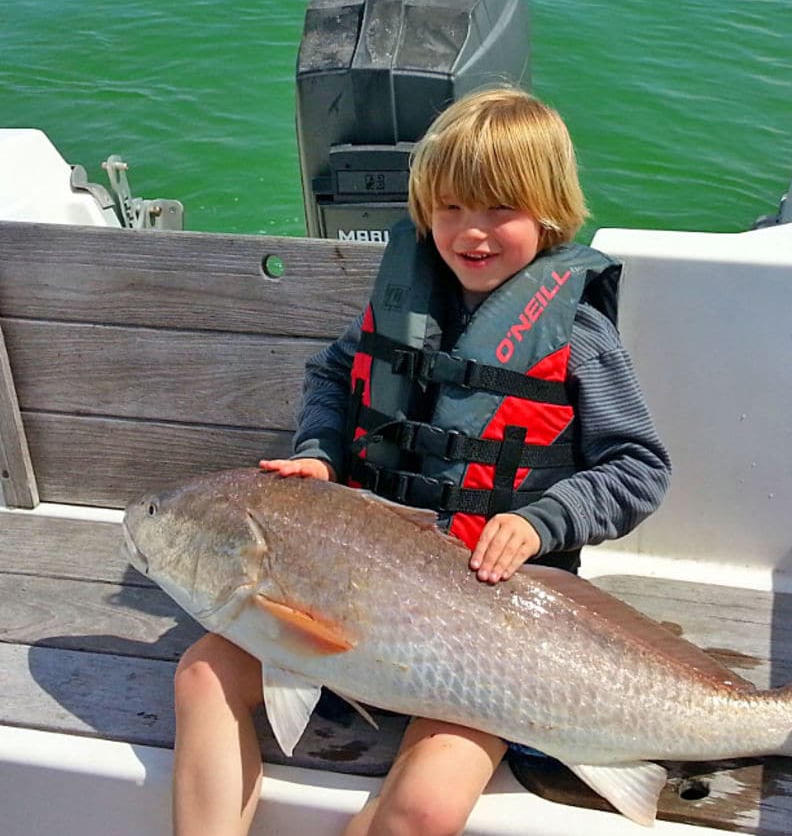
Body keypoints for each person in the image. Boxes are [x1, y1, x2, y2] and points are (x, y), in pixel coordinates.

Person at [172, 86, 670, 836]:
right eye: (450, 209)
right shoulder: (400, 303)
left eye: (498, 209)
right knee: (203, 674)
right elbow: (333, 376)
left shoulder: (583, 335)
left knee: (427, 806)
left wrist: (541, 524)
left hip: (490, 623)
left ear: (549, 211)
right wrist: (318, 455)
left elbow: (638, 467)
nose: (471, 233)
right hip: (344, 592)